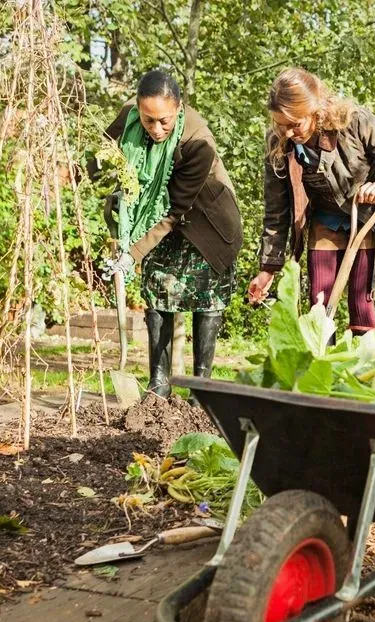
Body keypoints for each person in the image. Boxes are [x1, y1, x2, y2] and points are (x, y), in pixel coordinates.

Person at [99, 69, 242, 397]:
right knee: (158, 295)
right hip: (158, 224)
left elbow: (173, 211)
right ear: (138, 108)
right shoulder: (131, 118)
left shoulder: (198, 141)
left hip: (206, 227)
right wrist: (76, 175)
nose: (156, 129)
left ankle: (200, 389)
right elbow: (104, 155)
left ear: (178, 108)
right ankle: (159, 385)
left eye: (164, 120)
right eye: (149, 120)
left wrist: (132, 252)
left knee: (206, 302)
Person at [246, 67, 375, 335]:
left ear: (315, 111)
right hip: (325, 218)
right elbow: (276, 210)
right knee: (319, 306)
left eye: (295, 124)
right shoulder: (278, 142)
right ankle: (323, 368)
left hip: (368, 216)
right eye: (280, 124)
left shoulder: (354, 122)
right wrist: (268, 268)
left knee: (361, 304)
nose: (287, 133)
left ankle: (364, 371)